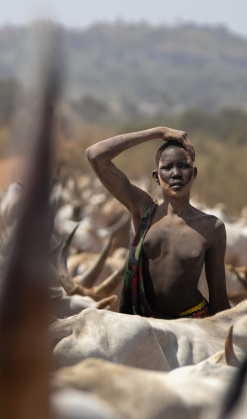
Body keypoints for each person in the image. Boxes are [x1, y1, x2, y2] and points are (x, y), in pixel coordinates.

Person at [85, 127, 229, 319]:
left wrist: (230, 336)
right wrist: (158, 132)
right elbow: (95, 156)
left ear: (194, 173)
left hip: (193, 323)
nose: (176, 173)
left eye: (183, 166)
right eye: (167, 167)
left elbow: (219, 297)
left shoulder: (212, 227)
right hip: (148, 325)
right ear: (156, 176)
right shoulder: (143, 210)